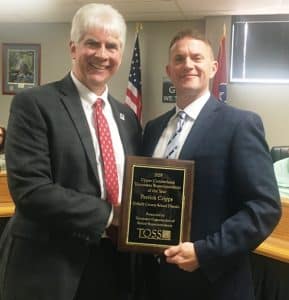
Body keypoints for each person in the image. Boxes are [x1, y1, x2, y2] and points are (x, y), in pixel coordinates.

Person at [0, 3, 142, 300]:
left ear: (120, 53)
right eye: (92, 43)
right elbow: (31, 191)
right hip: (48, 265)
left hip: (113, 263)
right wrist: (111, 215)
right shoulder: (34, 104)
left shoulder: (127, 119)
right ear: (73, 48)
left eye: (112, 46)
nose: (102, 55)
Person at [140, 29, 281, 300]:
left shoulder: (240, 124)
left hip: (215, 283)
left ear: (213, 67)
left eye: (197, 57)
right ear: (169, 70)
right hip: (157, 280)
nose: (188, 65)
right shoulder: (153, 128)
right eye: (179, 59)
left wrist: (206, 252)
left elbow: (264, 208)